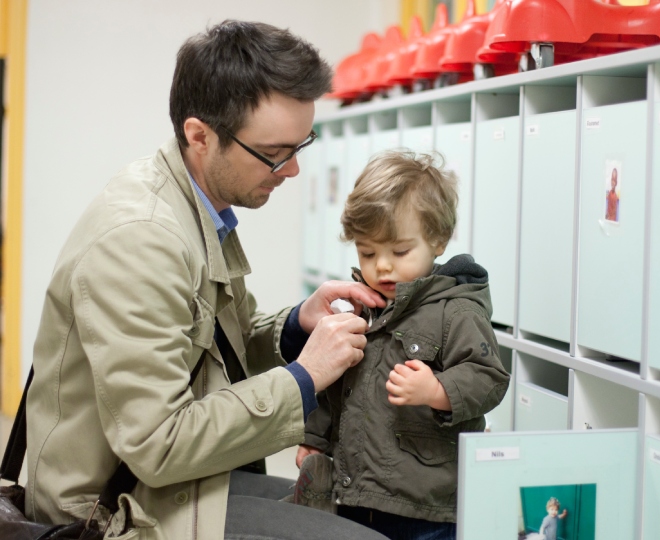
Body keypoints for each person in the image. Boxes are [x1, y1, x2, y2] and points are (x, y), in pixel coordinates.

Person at [24, 20, 391, 540]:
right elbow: (161, 444)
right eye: (275, 153)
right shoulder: (141, 239)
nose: (291, 172)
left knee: (347, 509)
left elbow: (219, 345)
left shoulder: (198, 209)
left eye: (300, 145)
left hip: (160, 483)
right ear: (200, 135)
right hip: (109, 511)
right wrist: (305, 378)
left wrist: (295, 326)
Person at [294, 150, 511, 539]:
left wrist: (438, 390)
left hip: (426, 504)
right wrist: (314, 438)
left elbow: (489, 377)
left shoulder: (456, 310)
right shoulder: (360, 307)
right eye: (367, 252)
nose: (382, 267)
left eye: (399, 251)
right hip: (355, 492)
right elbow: (336, 386)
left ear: (438, 239)